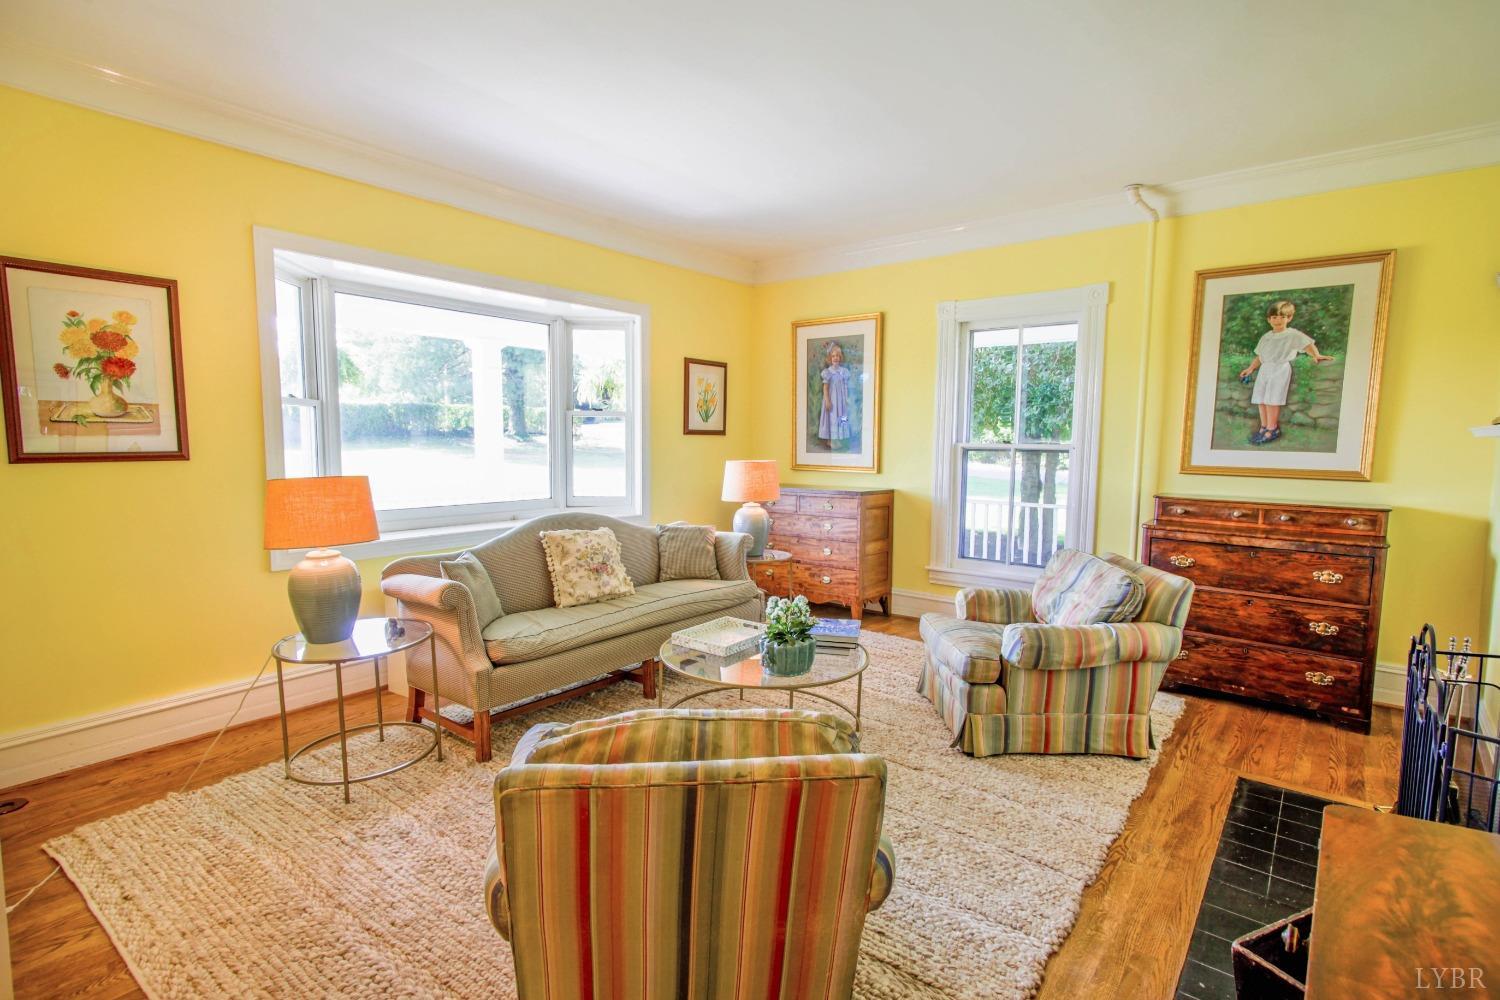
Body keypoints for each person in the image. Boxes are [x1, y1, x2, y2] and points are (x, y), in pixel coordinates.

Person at [1237, 300, 1333, 446]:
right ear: (1269, 320)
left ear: (1289, 318)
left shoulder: (1292, 334)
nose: (1278, 320)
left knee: (1272, 399)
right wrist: (1250, 368)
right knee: (1261, 399)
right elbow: (1260, 356)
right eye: (1274, 317)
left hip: (1280, 369)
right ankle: (1263, 427)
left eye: (1282, 317)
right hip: (1265, 369)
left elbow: (1308, 344)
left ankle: (1272, 429)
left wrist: (1316, 355)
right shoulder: (1266, 337)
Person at [817, 340, 853, 448]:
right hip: (832, 400)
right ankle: (831, 440)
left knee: (842, 418)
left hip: (841, 401)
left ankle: (840, 437)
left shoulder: (843, 372)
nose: (835, 358)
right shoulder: (828, 372)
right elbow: (825, 387)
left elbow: (845, 386)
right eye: (833, 356)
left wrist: (846, 398)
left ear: (840, 357)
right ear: (830, 359)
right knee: (831, 418)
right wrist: (827, 400)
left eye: (837, 356)